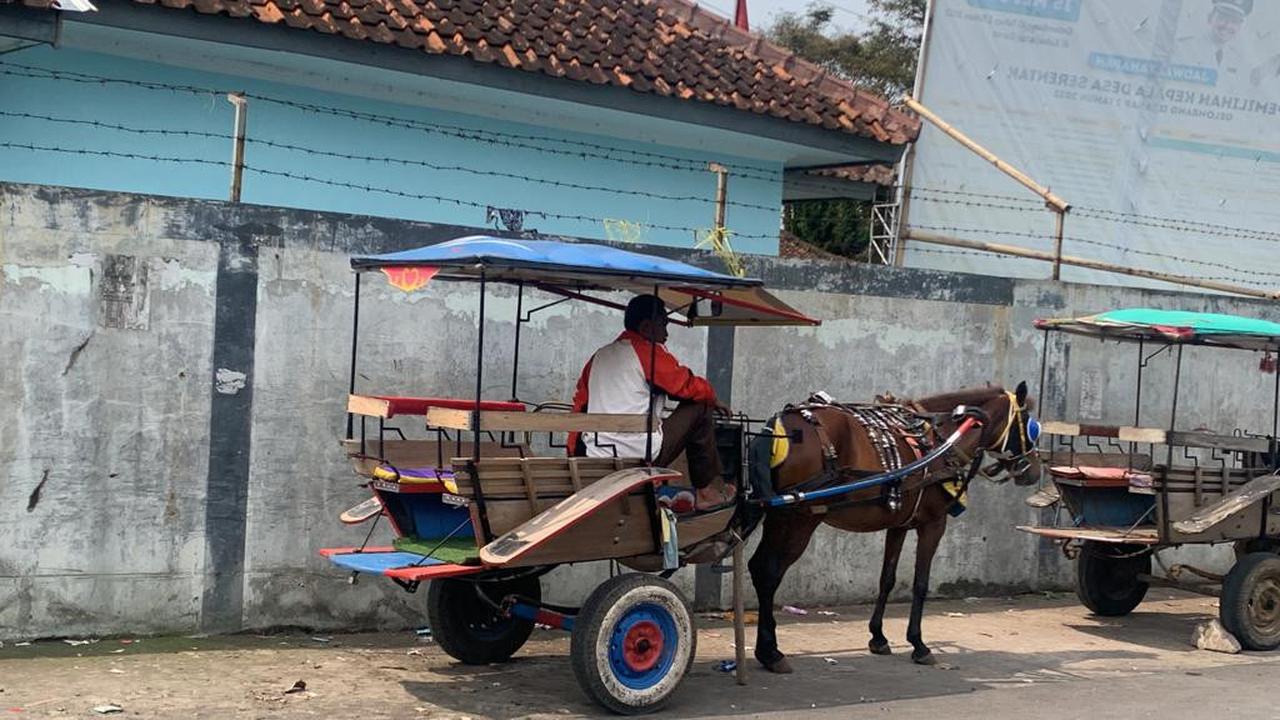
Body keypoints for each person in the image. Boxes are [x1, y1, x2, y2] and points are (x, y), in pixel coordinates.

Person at [569, 294, 733, 510]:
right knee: (701, 406)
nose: (666, 334)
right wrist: (713, 398)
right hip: (637, 453)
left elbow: (580, 404)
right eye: (663, 325)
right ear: (646, 327)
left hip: (595, 452)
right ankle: (707, 491)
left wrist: (574, 454)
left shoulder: (600, 355)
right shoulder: (646, 352)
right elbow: (686, 386)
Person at [1175, 0, 1252, 90]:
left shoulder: (1238, 61)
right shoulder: (1182, 49)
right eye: (1222, 18)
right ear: (1210, 18)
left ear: (1239, 28)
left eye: (1234, 22)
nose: (1227, 26)